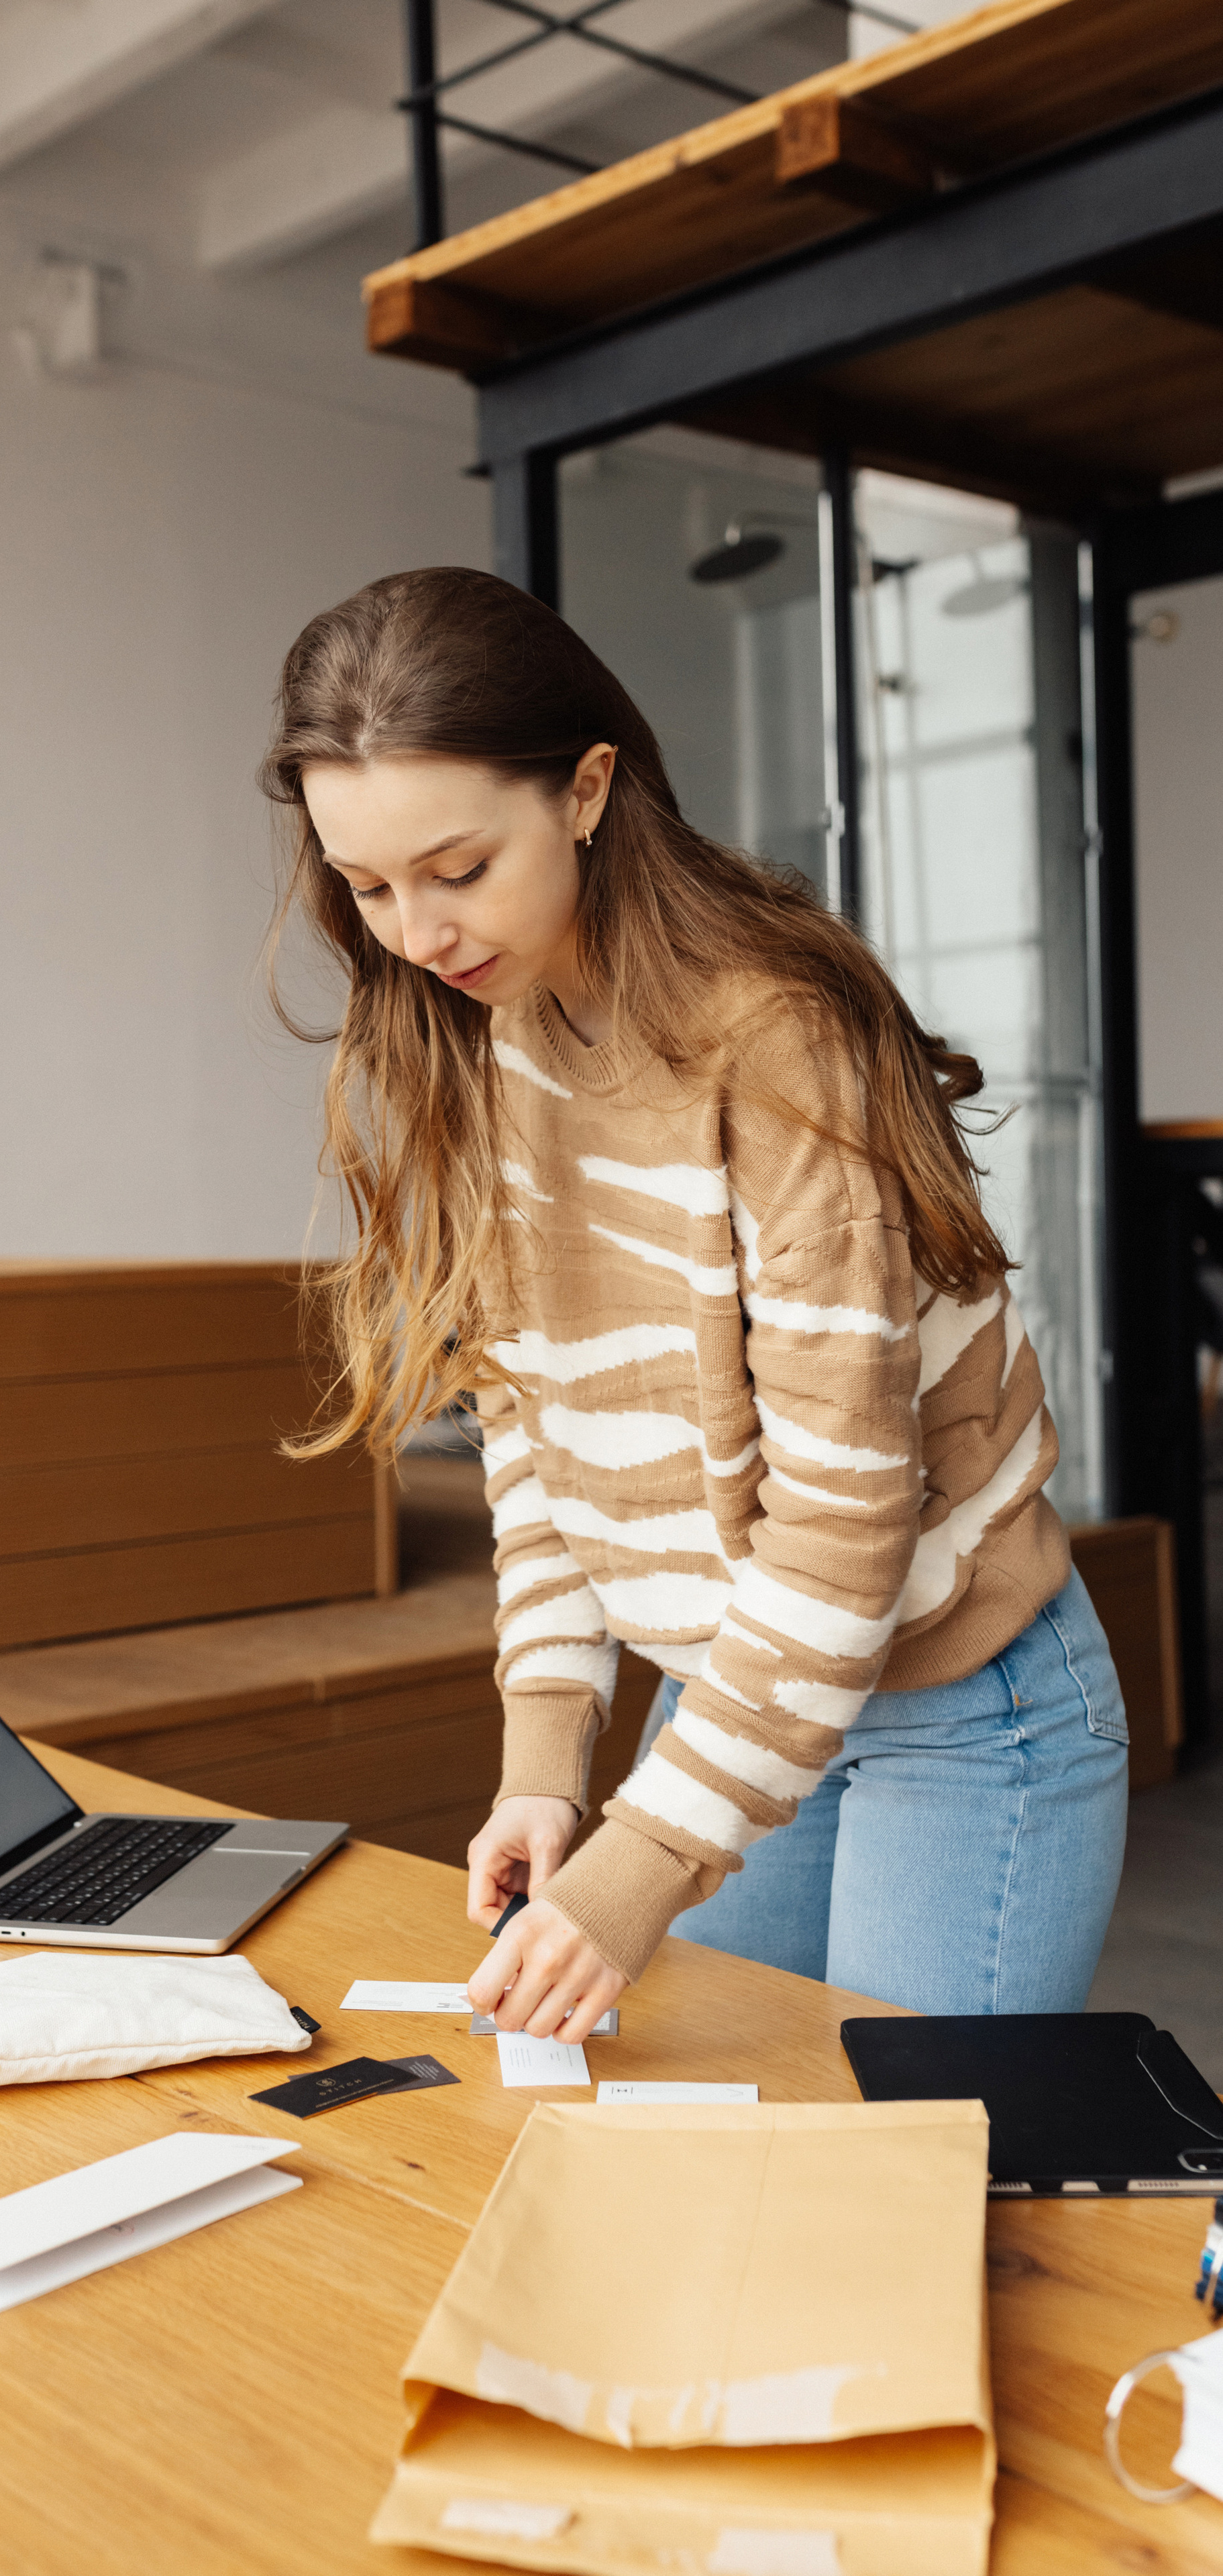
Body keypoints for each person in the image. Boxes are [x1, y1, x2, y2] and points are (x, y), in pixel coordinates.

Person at [260, 564, 1128, 2044]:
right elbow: (537, 1437)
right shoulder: (488, 1030)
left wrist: (643, 1861)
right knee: (717, 2155)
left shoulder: (774, 1037)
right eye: (366, 885)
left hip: (954, 1698)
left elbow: (849, 1518)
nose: (412, 932)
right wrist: (546, 1760)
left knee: (900, 2187)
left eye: (455, 869)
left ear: (586, 788)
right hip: (735, 1696)